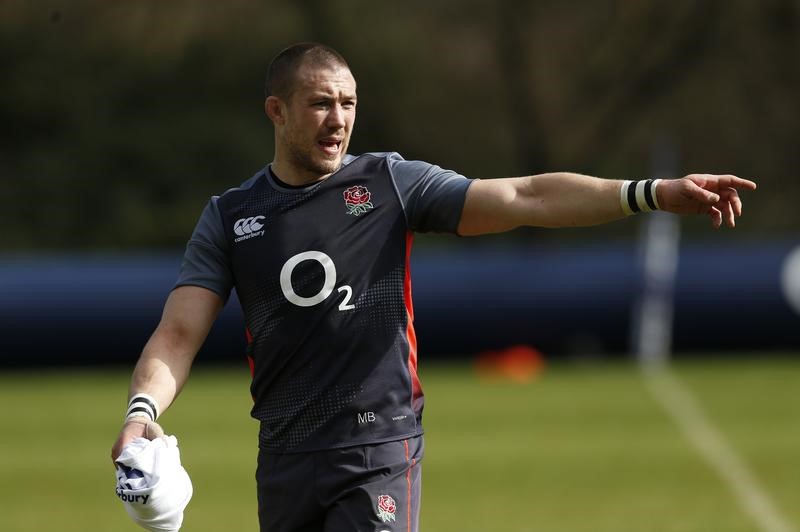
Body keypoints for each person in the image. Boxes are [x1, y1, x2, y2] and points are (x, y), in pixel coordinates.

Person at [111, 42, 757, 532]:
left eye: (349, 103)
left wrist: (649, 195)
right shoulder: (230, 216)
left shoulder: (390, 184)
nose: (339, 119)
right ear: (276, 112)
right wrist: (142, 414)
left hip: (378, 449)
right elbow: (178, 332)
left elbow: (524, 196)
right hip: (284, 457)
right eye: (320, 103)